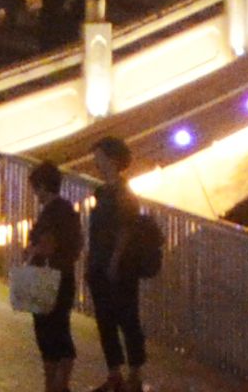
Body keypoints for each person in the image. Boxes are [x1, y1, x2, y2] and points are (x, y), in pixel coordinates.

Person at [78, 138, 160, 392]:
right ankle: (115, 374)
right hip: (100, 265)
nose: (96, 161)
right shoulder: (103, 192)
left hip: (120, 269)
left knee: (127, 318)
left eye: (99, 156)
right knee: (105, 320)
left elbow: (125, 230)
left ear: (112, 160)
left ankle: (134, 373)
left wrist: (114, 261)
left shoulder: (124, 195)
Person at [12, 162, 84, 392]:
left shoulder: (52, 213)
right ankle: (61, 383)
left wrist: (31, 251)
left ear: (43, 187)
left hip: (48, 280)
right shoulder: (68, 211)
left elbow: (48, 246)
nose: (35, 194)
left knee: (47, 333)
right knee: (61, 329)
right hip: (65, 277)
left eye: (36, 189)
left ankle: (53, 385)